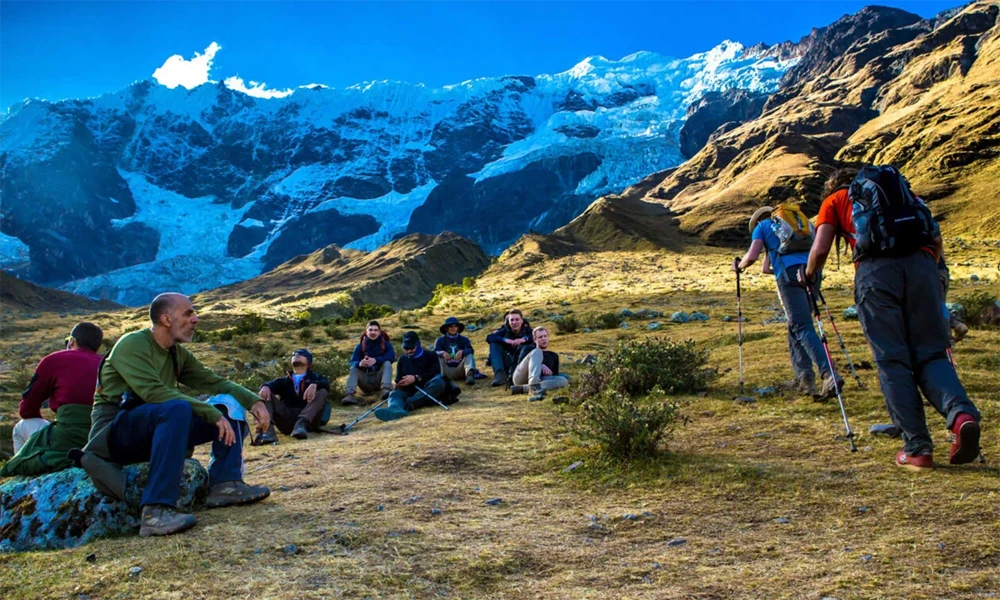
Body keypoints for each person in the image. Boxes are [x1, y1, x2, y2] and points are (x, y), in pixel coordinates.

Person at [804, 167, 981, 471]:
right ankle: (962, 416)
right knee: (932, 354)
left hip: (876, 275)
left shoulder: (834, 200)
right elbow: (936, 239)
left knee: (892, 359)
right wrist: (927, 273)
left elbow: (820, 249)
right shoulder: (905, 195)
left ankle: (918, 448)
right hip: (924, 267)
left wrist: (808, 276)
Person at [78, 292, 272, 537]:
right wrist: (209, 413)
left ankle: (225, 484)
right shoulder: (132, 344)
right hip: (116, 432)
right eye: (188, 313)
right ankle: (156, 511)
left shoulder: (176, 353)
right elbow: (153, 392)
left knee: (228, 404)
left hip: (158, 426)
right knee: (178, 408)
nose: (196, 319)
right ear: (166, 319)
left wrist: (254, 402)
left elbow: (214, 382)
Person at [734, 205, 842, 399]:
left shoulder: (763, 226)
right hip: (812, 272)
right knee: (797, 325)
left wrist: (738, 267)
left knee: (801, 326)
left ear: (758, 220)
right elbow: (766, 269)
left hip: (789, 275)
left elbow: (751, 257)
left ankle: (828, 374)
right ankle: (804, 379)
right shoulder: (799, 224)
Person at [0, 323, 103, 477]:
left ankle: (22, 481)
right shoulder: (106, 364)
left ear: (72, 341)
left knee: (22, 427)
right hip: (102, 438)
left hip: (68, 437)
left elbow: (27, 410)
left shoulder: (55, 360)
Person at [374, 331, 459, 421]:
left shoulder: (431, 355)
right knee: (394, 393)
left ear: (418, 345)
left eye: (411, 347)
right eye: (406, 348)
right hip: (410, 390)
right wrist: (400, 383)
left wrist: (416, 378)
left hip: (428, 390)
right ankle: (395, 409)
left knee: (439, 383)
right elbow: (398, 378)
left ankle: (409, 404)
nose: (409, 351)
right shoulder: (402, 359)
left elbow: (435, 373)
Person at [254, 349, 331, 444]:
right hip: (287, 421)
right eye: (294, 354)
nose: (297, 354)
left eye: (302, 354)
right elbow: (270, 384)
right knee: (265, 392)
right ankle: (268, 432)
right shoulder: (284, 381)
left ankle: (301, 423)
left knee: (322, 391)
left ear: (309, 363)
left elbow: (326, 384)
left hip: (309, 421)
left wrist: (314, 384)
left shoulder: (315, 378)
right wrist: (265, 386)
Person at [509, 326, 568, 402]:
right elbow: (521, 365)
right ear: (534, 340)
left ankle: (524, 388)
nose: (543, 339)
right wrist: (541, 365)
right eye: (540, 337)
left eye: (545, 336)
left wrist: (549, 374)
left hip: (540, 379)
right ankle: (533, 384)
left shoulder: (553, 356)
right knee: (537, 351)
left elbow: (553, 375)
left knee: (563, 380)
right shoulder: (528, 348)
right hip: (521, 376)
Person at [343, 321, 395, 405]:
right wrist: (360, 363)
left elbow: (391, 357)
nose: (373, 332)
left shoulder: (386, 345)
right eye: (370, 330)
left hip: (379, 378)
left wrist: (376, 360)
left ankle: (385, 390)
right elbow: (352, 362)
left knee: (387, 363)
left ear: (379, 332)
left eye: (375, 330)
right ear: (366, 332)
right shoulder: (360, 346)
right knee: (354, 369)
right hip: (366, 381)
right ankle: (349, 395)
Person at [485, 309, 533, 386]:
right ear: (509, 322)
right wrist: (507, 340)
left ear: (522, 320)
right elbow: (489, 337)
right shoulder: (505, 330)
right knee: (494, 344)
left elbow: (537, 337)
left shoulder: (528, 331)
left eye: (517, 319)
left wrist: (523, 339)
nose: (514, 322)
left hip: (523, 364)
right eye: (512, 320)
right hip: (509, 361)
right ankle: (500, 375)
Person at [433, 317, 479, 385]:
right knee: (437, 358)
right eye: (450, 326)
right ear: (446, 328)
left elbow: (470, 350)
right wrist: (442, 353)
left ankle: (469, 376)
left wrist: (462, 351)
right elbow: (433, 353)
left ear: (458, 328)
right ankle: (439, 380)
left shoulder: (464, 339)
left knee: (469, 356)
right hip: (446, 370)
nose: (453, 328)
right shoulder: (440, 340)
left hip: (460, 369)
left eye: (455, 326)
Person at [938, 256, 969, 345]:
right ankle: (956, 324)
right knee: (938, 304)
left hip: (924, 269)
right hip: (941, 269)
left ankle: (947, 340)